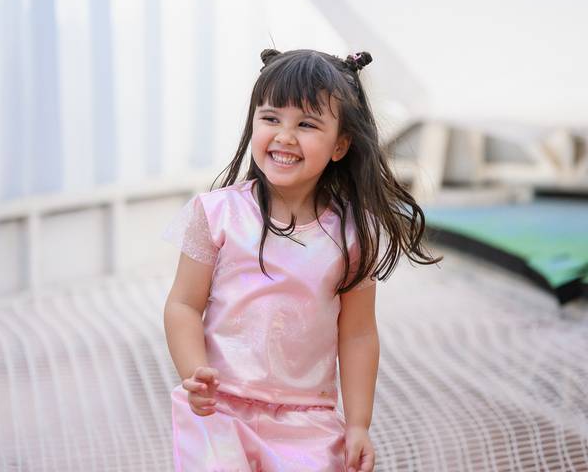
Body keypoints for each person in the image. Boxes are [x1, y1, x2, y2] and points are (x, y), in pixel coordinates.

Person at [162, 48, 442, 472]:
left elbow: (358, 334)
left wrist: (359, 424)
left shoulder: (353, 233)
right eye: (271, 118)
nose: (285, 136)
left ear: (340, 145)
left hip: (307, 419)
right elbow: (183, 304)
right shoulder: (216, 214)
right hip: (220, 409)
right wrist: (194, 372)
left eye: (306, 124)